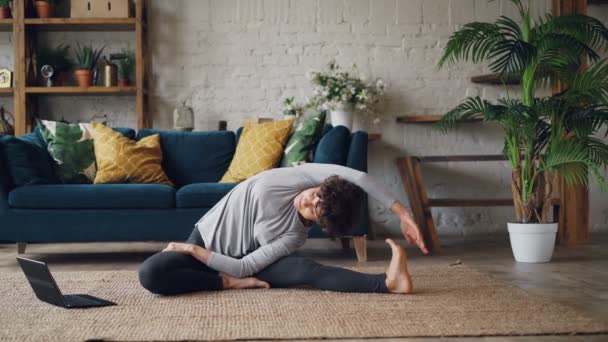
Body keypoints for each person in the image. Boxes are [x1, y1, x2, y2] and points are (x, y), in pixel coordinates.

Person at [138, 163, 428, 295]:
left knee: (308, 271)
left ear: (320, 222)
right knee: (150, 273)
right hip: (208, 240)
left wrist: (190, 250)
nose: (308, 200)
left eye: (315, 208)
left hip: (235, 262)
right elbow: (360, 176)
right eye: (317, 193)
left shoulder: (294, 236)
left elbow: (244, 266)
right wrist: (404, 213)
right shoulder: (297, 177)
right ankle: (222, 285)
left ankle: (387, 283)